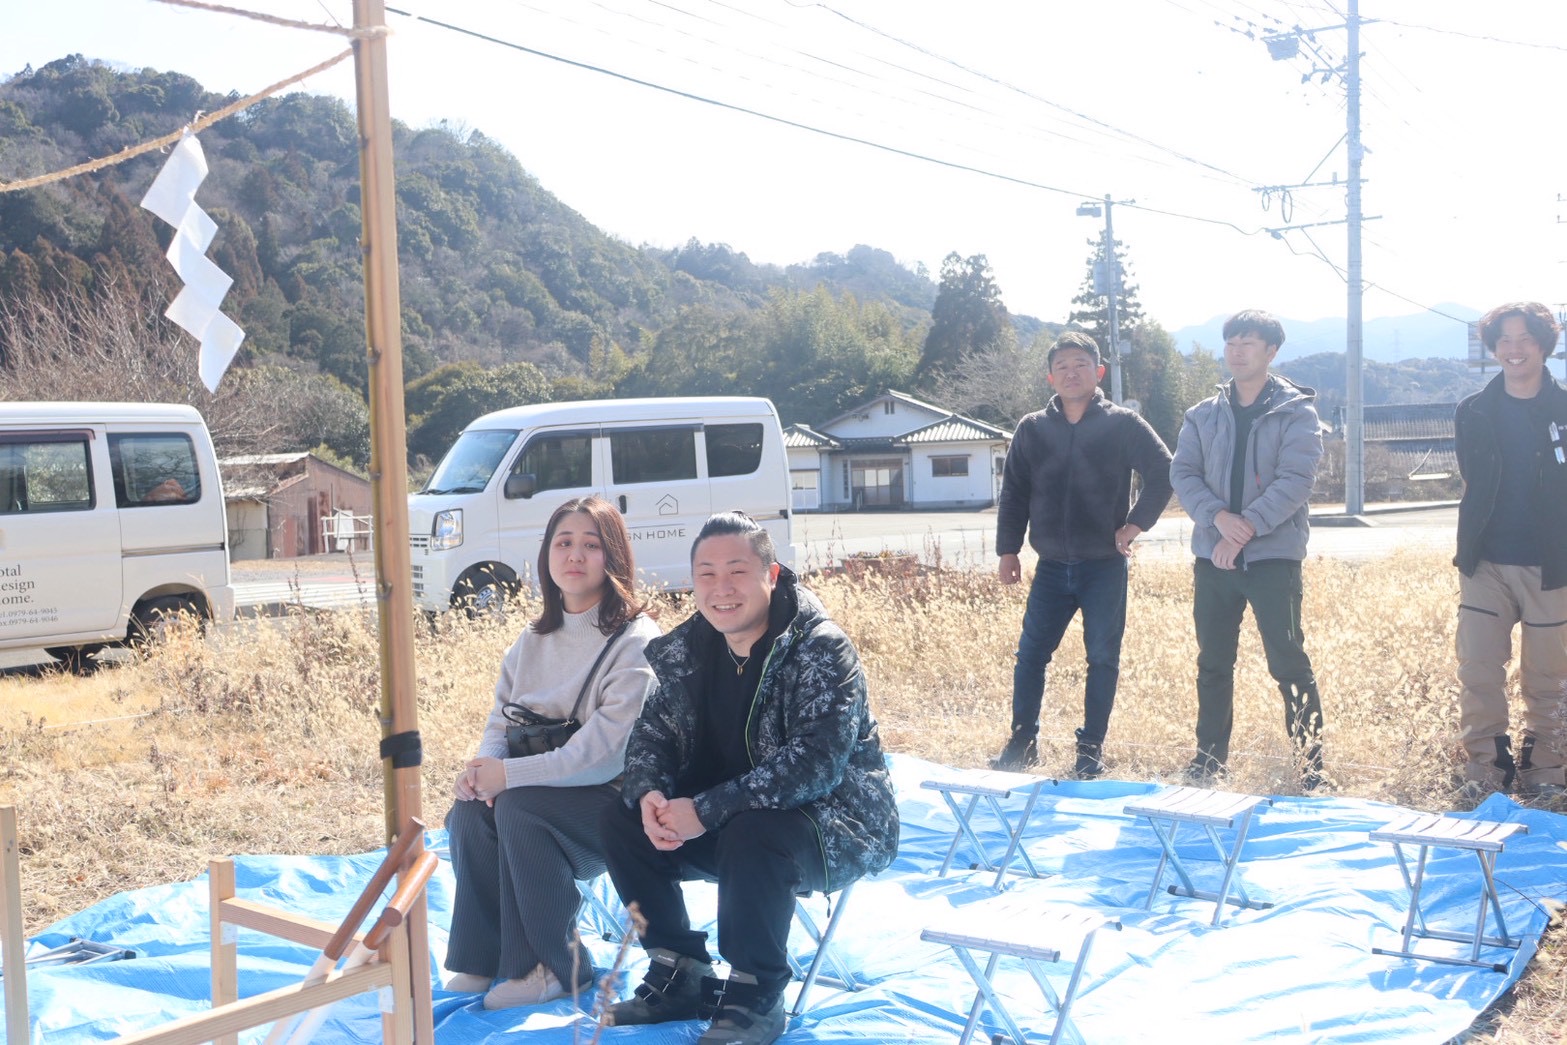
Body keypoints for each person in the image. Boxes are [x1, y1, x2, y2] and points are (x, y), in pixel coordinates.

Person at [599, 512, 898, 1045]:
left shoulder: (820, 647)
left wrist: (704, 810)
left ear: (771, 575)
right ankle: (679, 971)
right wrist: (650, 794)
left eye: (737, 571)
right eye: (707, 574)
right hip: (730, 822)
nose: (722, 589)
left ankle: (756, 993)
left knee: (753, 831)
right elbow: (652, 735)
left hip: (832, 826)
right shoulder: (691, 649)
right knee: (620, 819)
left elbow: (815, 764)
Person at [443, 495, 661, 1010]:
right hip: (544, 784)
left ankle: (554, 967)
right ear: (546, 555)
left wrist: (510, 777)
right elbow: (502, 719)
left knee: (520, 807)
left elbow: (604, 755)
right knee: (471, 810)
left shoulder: (635, 640)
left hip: (614, 803)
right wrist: (482, 771)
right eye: (563, 543)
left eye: (591, 545)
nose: (575, 556)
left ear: (614, 556)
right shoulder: (533, 638)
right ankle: (484, 958)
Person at [991, 331, 1173, 776]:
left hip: (1104, 566)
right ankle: (1022, 742)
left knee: (1102, 658)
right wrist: (1008, 550)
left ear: (1099, 372)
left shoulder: (1123, 424)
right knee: (1030, 656)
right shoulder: (1032, 428)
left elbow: (1164, 472)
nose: (1071, 373)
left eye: (1081, 365)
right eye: (1062, 367)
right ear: (1050, 377)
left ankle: (1090, 750)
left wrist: (1134, 524)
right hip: (1051, 566)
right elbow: (1014, 492)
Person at [1170, 309, 1326, 790]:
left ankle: (1310, 769)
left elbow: (1297, 479)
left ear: (1271, 351)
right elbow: (1183, 473)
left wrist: (1244, 529)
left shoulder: (1296, 412)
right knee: (1213, 663)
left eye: (1249, 343)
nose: (1237, 352)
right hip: (1212, 557)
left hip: (1273, 557)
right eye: (1231, 343)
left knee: (1288, 661)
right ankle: (1207, 762)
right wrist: (1218, 519)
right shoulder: (1203, 414)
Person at [1453, 301, 1567, 800]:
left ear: (1544, 345)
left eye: (1525, 339)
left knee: (1548, 679)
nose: (1513, 349)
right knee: (1478, 671)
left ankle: (1547, 773)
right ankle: (1485, 771)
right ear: (1493, 347)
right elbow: (1471, 481)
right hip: (1485, 562)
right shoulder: (1473, 410)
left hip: (1552, 565)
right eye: (1504, 340)